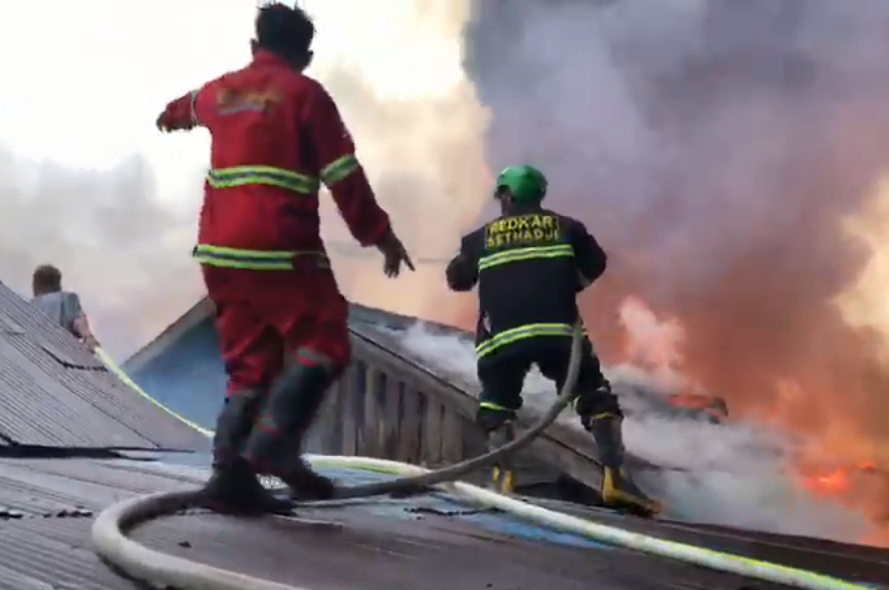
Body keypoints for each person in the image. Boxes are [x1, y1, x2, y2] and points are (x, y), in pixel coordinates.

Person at [155, 2, 413, 515]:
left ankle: (230, 475)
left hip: (220, 253)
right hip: (279, 249)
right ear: (306, 56)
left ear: (255, 48)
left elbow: (179, 108)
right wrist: (380, 236)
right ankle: (275, 445)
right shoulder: (306, 95)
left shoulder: (221, 89)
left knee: (250, 364)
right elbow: (344, 176)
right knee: (325, 341)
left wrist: (169, 119)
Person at [445, 165, 659, 516]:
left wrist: (466, 262)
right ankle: (617, 479)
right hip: (557, 333)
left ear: (507, 196)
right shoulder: (568, 228)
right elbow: (597, 262)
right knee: (594, 395)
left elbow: (457, 280)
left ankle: (501, 481)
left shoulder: (479, 238)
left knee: (498, 404)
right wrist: (568, 282)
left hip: (501, 339)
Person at [30, 264, 100, 350]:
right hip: (64, 354)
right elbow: (78, 319)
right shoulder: (67, 298)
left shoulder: (28, 305)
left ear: (36, 284)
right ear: (58, 284)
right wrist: (88, 337)